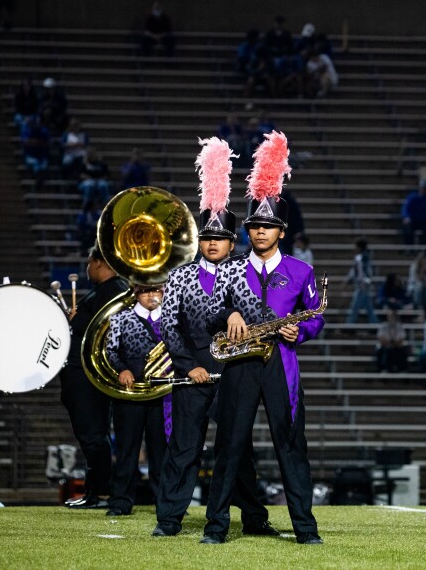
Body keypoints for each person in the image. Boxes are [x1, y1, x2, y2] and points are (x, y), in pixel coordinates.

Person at [202, 131, 324, 545]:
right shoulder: (229, 268)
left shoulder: (302, 271)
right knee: (229, 449)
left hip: (281, 366)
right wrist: (230, 311)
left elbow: (315, 321)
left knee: (291, 448)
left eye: (268, 226)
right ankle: (216, 528)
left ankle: (306, 530)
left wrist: (299, 329)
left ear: (281, 231)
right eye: (255, 225)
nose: (259, 231)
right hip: (238, 366)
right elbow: (211, 310)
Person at [154, 137, 276, 538]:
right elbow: (168, 325)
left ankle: (254, 519)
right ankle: (169, 520)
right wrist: (191, 367)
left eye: (220, 238)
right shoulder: (180, 276)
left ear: (231, 240)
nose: (212, 243)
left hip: (233, 374)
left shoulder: (244, 274)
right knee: (183, 451)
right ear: (200, 240)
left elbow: (258, 316)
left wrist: (240, 314)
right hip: (192, 375)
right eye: (207, 238)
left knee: (237, 453)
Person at [61, 245, 129, 509]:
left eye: (90, 262)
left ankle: (100, 493)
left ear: (100, 263)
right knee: (92, 435)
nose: (87, 268)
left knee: (93, 435)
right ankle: (96, 491)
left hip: (87, 376)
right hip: (81, 374)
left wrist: (79, 320)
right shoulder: (106, 291)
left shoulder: (113, 290)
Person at [104, 284, 168, 517]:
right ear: (135, 292)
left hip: (162, 394)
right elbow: (110, 351)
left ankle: (165, 502)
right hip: (130, 394)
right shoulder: (119, 318)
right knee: (126, 450)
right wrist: (121, 369)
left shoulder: (172, 317)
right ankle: (120, 501)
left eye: (157, 290)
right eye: (145, 290)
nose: (152, 295)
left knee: (161, 452)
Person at [345, 238, 378, 324]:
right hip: (363, 284)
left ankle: (349, 324)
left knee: (355, 306)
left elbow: (361, 271)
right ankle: (374, 323)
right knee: (368, 306)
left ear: (359, 247)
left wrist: (363, 281)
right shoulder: (364, 257)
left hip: (362, 285)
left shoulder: (362, 258)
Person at [19, 114, 51, 188]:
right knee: (35, 164)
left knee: (43, 166)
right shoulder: (27, 130)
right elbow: (25, 142)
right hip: (31, 154)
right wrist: (38, 142)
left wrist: (35, 142)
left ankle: (40, 178)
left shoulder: (44, 131)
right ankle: (39, 178)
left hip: (42, 155)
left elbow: (48, 143)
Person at [375, 309, 409, 373]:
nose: (391, 318)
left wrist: (393, 344)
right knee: (384, 350)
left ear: (396, 317)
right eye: (390, 316)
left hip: (396, 347)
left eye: (393, 316)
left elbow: (401, 339)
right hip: (385, 347)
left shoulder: (400, 326)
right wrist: (390, 343)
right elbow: (381, 339)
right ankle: (384, 369)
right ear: (387, 317)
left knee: (402, 350)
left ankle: (402, 370)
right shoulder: (383, 326)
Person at [59, 117, 89, 183]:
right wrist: (69, 145)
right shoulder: (67, 134)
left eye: (76, 125)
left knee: (84, 162)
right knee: (66, 162)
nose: (75, 127)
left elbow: (87, 144)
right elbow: (62, 145)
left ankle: (79, 177)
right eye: (73, 125)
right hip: (70, 153)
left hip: (80, 153)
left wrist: (80, 144)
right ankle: (67, 177)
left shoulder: (83, 135)